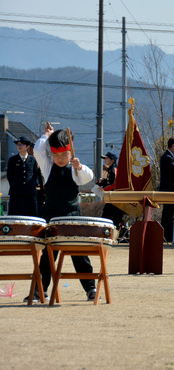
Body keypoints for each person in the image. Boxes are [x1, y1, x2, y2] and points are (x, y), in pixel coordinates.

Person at [30, 126, 97, 302]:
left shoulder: (75, 168)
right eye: (56, 156)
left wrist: (79, 166)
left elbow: (88, 177)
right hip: (50, 215)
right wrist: (47, 135)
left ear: (70, 152)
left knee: (78, 252)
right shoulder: (47, 166)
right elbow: (37, 150)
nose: (60, 159)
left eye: (64, 155)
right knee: (46, 253)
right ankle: (39, 290)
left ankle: (90, 288)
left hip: (71, 215)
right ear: (51, 155)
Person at [7, 136, 39, 216]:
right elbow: (10, 176)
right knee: (16, 215)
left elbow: (35, 175)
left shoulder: (33, 159)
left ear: (27, 146)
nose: (19, 146)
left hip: (29, 193)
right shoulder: (12, 160)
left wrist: (32, 186)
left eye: (21, 144)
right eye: (18, 144)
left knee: (30, 215)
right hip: (16, 193)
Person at [96, 151, 124, 228]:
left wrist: (103, 188)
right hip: (114, 198)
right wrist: (103, 181)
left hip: (115, 199)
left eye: (107, 158)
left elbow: (113, 184)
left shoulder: (113, 170)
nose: (105, 160)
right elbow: (111, 181)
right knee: (112, 219)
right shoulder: (112, 169)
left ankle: (116, 235)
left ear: (112, 160)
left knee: (108, 218)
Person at [159, 138, 174, 243]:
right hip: (168, 189)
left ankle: (170, 235)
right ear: (173, 146)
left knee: (171, 212)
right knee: (168, 213)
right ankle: (166, 235)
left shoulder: (172, 156)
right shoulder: (166, 157)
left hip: (172, 189)